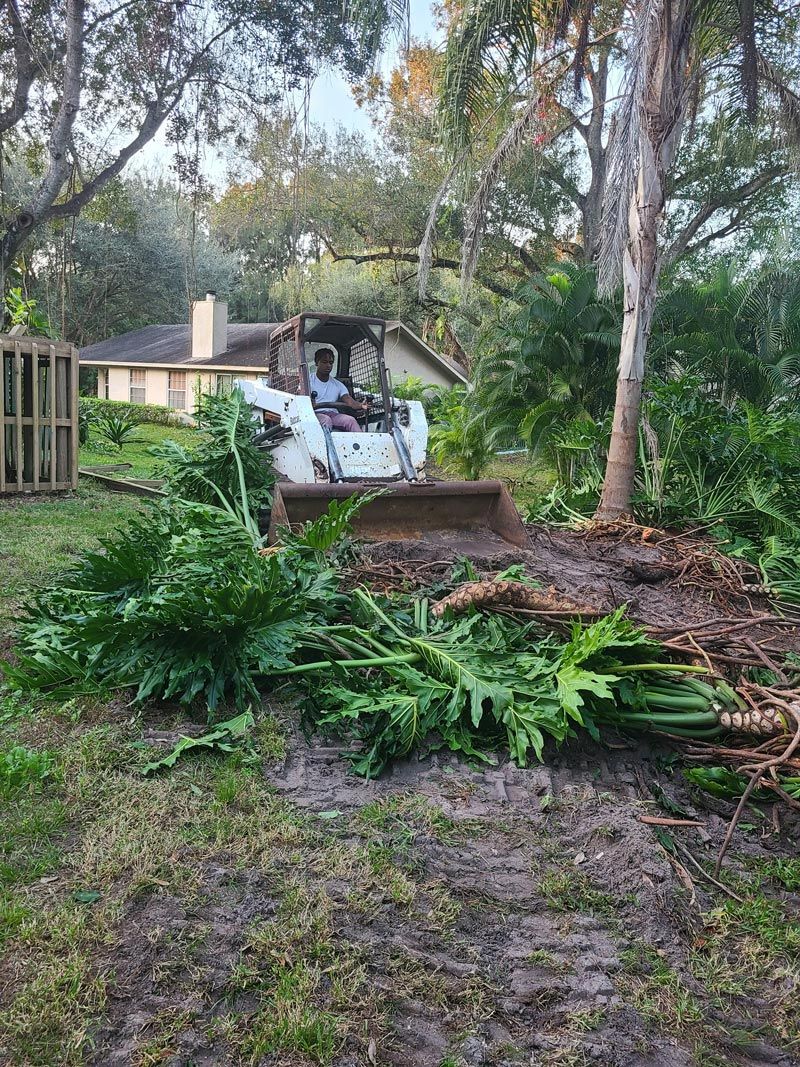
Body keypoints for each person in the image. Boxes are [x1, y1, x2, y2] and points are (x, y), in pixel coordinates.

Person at [308, 348, 369, 433]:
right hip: (314, 415)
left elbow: (349, 402)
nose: (328, 365)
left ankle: (364, 444)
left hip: (332, 414)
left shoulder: (338, 385)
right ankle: (327, 446)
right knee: (326, 420)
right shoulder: (308, 381)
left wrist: (361, 405)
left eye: (331, 363)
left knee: (350, 420)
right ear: (316, 363)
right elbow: (301, 399)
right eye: (324, 362)